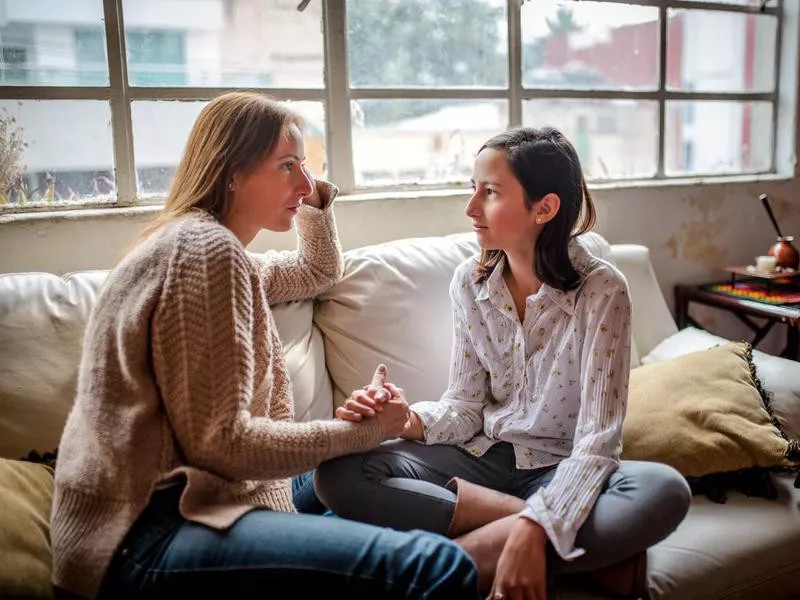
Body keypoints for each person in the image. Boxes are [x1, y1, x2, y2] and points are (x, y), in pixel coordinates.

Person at [50, 91, 479, 600]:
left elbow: (317, 272)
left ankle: (522, 523)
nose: (306, 182)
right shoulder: (204, 254)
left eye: (305, 166)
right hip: (147, 534)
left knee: (368, 465)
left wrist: (311, 200)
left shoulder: (213, 250)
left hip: (204, 504)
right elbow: (225, 445)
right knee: (438, 566)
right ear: (231, 170)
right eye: (287, 166)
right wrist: (356, 432)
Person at [316, 127, 692, 600]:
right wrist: (406, 420)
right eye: (473, 189)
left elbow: (598, 442)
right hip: (481, 456)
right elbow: (466, 404)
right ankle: (553, 542)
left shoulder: (602, 290)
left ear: (544, 208)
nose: (471, 208)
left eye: (489, 192)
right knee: (337, 473)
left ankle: (458, 563)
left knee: (664, 489)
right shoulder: (469, 283)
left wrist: (538, 522)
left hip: (560, 467)